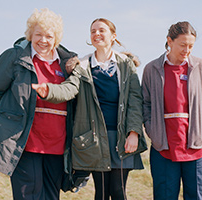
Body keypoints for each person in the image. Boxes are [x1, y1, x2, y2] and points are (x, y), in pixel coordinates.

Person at [33, 18, 147, 200]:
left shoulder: (127, 65)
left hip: (122, 136)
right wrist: (49, 91)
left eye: (102, 30)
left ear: (113, 36)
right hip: (95, 138)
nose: (96, 34)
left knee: (119, 191)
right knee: (101, 193)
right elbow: (69, 88)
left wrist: (134, 132)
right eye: (93, 31)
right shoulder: (82, 66)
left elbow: (135, 100)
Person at [0, 8, 78, 200]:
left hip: (57, 145)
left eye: (49, 36)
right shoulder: (15, 57)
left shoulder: (66, 63)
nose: (43, 40)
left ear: (56, 38)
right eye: (38, 34)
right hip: (26, 142)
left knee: (51, 196)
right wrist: (14, 117)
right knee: (27, 196)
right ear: (30, 34)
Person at [142, 21, 202, 200]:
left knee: (198, 196)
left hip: (197, 147)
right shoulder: (151, 69)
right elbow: (145, 104)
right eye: (183, 45)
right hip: (164, 147)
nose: (187, 50)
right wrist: (152, 131)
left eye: (191, 46)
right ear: (169, 41)